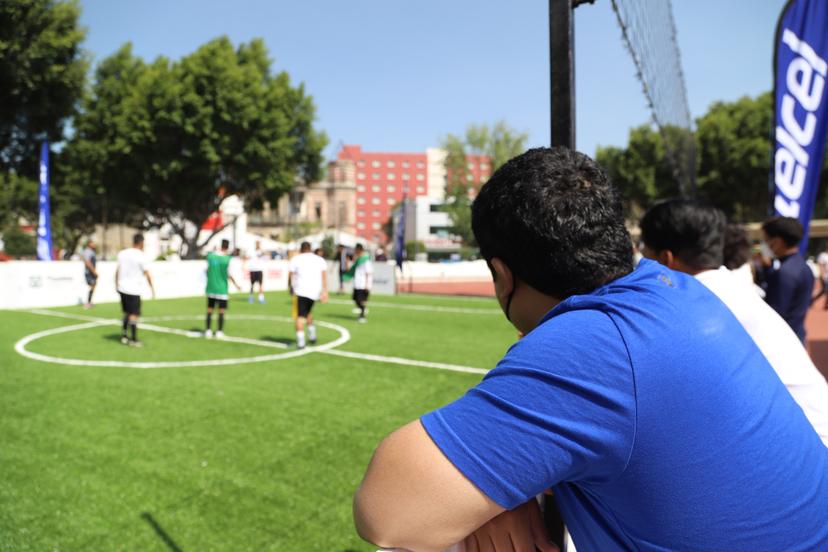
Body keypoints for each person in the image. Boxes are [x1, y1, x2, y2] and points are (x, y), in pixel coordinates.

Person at [352, 148, 828, 552]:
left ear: (502, 274)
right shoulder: (680, 291)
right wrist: (509, 482)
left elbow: (385, 512)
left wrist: (503, 478)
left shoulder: (597, 345)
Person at [640, 198, 828, 446]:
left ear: (665, 259)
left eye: (645, 255)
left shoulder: (695, 304)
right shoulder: (724, 286)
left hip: (805, 447)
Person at [761, 216, 814, 342]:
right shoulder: (803, 266)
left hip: (784, 341)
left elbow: (775, 313)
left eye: (767, 240)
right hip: (797, 335)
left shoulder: (785, 272)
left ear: (778, 241)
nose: (765, 245)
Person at [116, 233, 155, 347]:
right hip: (133, 289)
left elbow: (117, 270)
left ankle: (124, 335)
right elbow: (147, 273)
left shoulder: (122, 254)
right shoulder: (141, 256)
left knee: (127, 312)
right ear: (141, 242)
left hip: (122, 287)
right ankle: (133, 339)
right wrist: (152, 288)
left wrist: (116, 284)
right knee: (134, 314)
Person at [287, 241, 328, 349]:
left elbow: (290, 274)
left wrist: (289, 287)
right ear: (310, 248)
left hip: (301, 291)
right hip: (314, 292)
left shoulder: (296, 259)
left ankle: (301, 342)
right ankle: (312, 334)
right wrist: (324, 291)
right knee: (308, 312)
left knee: (299, 316)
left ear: (301, 249)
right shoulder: (319, 259)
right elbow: (324, 276)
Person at [204, 239, 241, 338]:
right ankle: (219, 331)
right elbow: (230, 274)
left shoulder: (210, 257)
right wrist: (237, 285)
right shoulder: (227, 259)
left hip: (211, 287)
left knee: (209, 309)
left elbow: (206, 271)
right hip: (222, 289)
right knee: (221, 311)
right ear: (227, 247)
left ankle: (208, 331)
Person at [342, 243, 372, 323]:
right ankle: (363, 310)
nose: (355, 251)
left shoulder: (366, 259)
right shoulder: (359, 259)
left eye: (356, 249)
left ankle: (362, 316)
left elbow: (368, 272)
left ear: (359, 250)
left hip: (363, 284)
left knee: (360, 300)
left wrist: (367, 284)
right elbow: (353, 271)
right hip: (357, 283)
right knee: (355, 298)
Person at [81, 239, 98, 309]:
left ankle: (89, 302)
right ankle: (88, 303)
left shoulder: (91, 252)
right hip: (89, 272)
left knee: (93, 286)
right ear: (89, 244)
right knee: (92, 286)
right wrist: (94, 271)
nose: (94, 244)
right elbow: (87, 262)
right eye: (92, 243)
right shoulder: (87, 251)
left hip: (91, 272)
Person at [814, 244, 828, 309]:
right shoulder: (823, 255)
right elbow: (821, 265)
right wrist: (822, 275)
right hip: (825, 276)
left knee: (824, 291)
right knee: (825, 290)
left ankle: (826, 304)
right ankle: (812, 300)